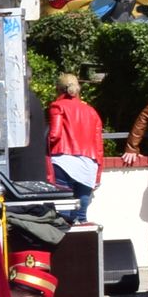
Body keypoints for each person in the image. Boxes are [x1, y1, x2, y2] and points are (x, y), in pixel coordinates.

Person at [46, 73, 106, 223]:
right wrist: (98, 173)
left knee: (63, 214)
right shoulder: (92, 111)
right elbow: (98, 145)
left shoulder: (57, 106)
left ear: (58, 89)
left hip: (62, 161)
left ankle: (63, 245)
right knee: (81, 216)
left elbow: (54, 135)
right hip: (88, 165)